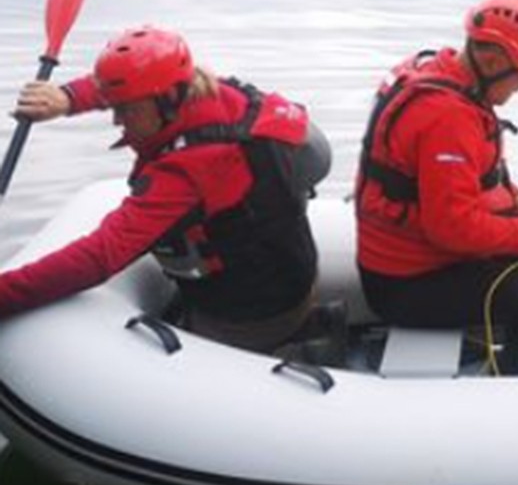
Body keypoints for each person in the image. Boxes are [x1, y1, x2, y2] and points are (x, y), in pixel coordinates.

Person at [0, 26, 330, 354]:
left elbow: (99, 256)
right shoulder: (214, 92)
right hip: (293, 275)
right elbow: (129, 84)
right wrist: (69, 98)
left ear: (167, 99)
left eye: (126, 110)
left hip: (253, 317)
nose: (117, 120)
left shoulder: (189, 170)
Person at [356, 0, 518, 375]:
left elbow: (478, 177)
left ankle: (515, 350)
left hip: (424, 260)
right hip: (408, 283)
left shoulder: (445, 74)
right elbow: (451, 228)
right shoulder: (447, 116)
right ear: (492, 61)